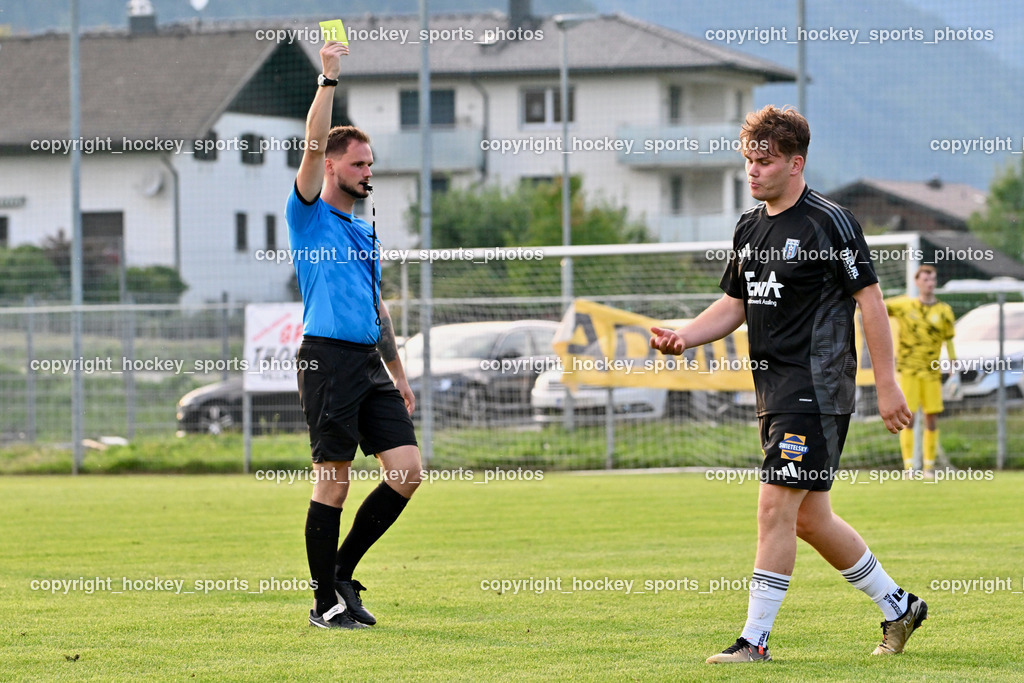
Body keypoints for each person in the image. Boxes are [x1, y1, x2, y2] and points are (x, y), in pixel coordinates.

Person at [650, 105, 927, 663]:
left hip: (818, 388)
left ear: (795, 163)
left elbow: (869, 301)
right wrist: (684, 336)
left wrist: (889, 382)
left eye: (765, 161)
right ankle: (900, 606)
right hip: (771, 390)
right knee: (808, 517)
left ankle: (754, 642)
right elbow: (734, 305)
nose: (752, 171)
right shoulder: (750, 226)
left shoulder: (830, 222)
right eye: (748, 160)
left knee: (774, 507)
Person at [286, 38, 421, 630]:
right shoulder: (309, 212)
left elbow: (378, 307)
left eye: (371, 164)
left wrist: (399, 372)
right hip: (326, 361)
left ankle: (339, 575)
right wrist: (328, 79)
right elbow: (313, 142)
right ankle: (324, 604)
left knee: (408, 471)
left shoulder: (364, 233)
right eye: (359, 164)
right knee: (333, 484)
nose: (369, 173)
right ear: (334, 166)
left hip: (368, 364)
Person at [885, 265, 956, 475]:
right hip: (909, 371)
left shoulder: (944, 311)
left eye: (932, 279)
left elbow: (950, 342)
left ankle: (929, 466)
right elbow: (875, 305)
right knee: (908, 418)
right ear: (917, 282)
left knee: (931, 419)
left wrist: (955, 370)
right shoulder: (904, 306)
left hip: (932, 373)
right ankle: (909, 466)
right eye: (925, 279)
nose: (930, 283)